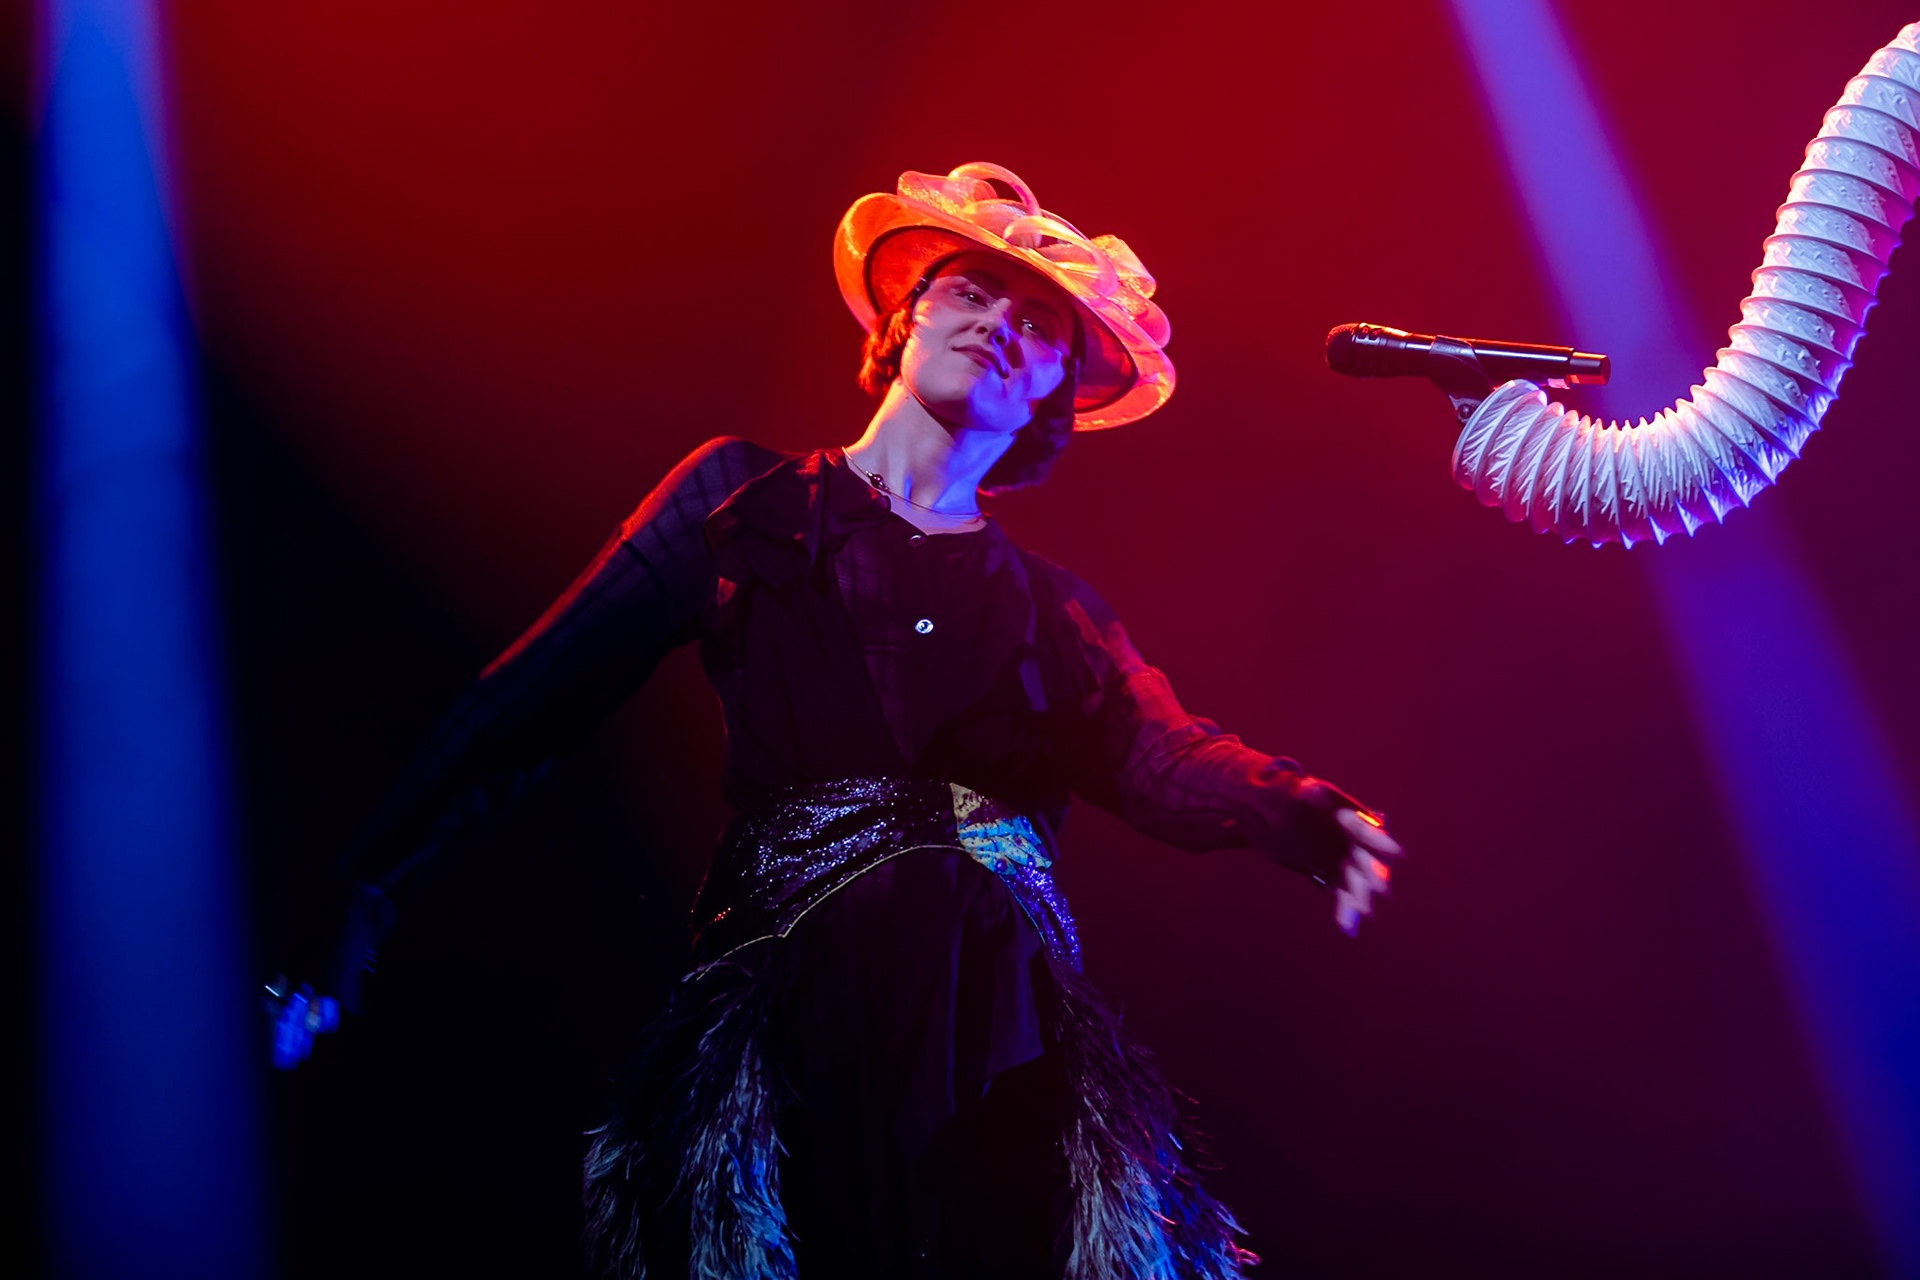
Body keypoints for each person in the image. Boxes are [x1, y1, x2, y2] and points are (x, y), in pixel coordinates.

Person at [271, 161, 1402, 1280]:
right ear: (907, 318)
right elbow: (531, 699)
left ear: (1056, 392)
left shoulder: (1056, 612)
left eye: (1039, 323)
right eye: (971, 292)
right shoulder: (744, 504)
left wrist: (1294, 806)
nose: (999, 324)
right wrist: (360, 887)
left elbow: (1161, 754)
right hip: (798, 1015)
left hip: (996, 1036)